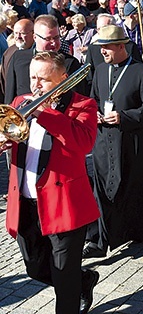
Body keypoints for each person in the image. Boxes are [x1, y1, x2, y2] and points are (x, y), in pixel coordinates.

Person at [3, 51, 100, 314]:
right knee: (35, 267)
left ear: (62, 79)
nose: (35, 85)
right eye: (32, 77)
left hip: (64, 204)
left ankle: (72, 286)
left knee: (63, 279)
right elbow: (12, 135)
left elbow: (83, 143)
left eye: (43, 80)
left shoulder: (83, 105)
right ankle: (84, 279)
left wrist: (45, 113)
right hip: (26, 202)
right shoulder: (20, 102)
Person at [84, 25, 143, 258]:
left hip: (130, 142)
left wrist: (123, 117)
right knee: (101, 191)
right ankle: (99, 240)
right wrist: (94, 112)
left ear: (121, 46)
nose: (103, 52)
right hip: (103, 143)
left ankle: (132, 231)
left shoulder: (140, 72)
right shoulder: (100, 71)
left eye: (107, 47)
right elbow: (94, 99)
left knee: (131, 189)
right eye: (101, 48)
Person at [4, 15, 83, 104]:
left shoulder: (69, 62)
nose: (53, 43)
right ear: (35, 37)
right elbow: (10, 94)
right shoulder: (19, 57)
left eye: (56, 37)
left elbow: (77, 100)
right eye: (48, 39)